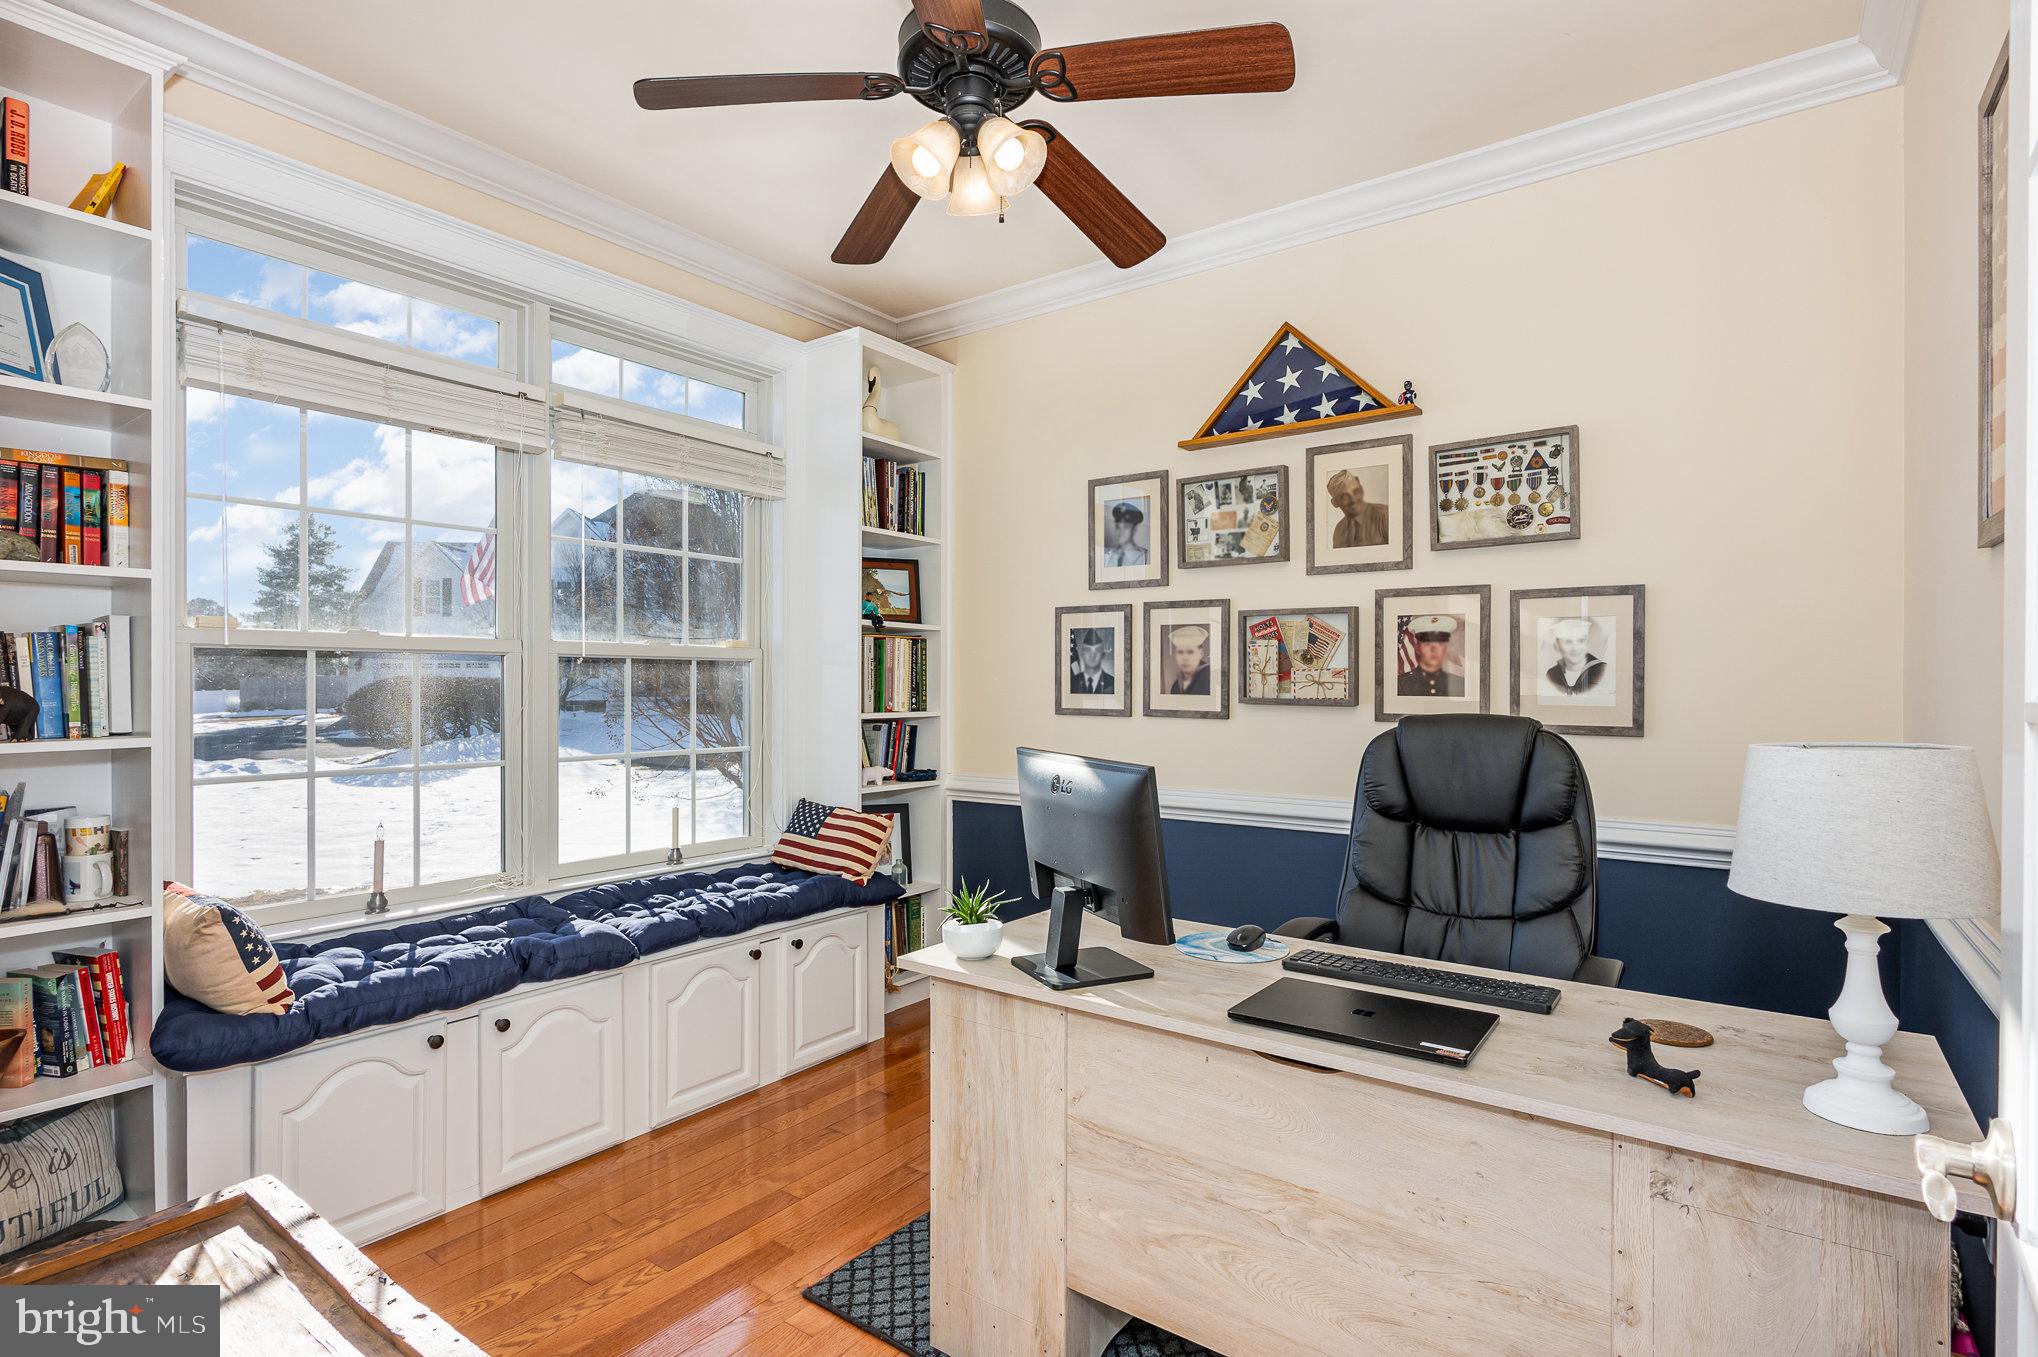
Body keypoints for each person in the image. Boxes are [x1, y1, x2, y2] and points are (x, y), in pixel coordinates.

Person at [1398, 614, 1464, 697]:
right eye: (1427, 643)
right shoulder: (1400, 685)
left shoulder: (1460, 684)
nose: (1433, 649)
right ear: (1417, 646)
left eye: (1440, 643)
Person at [1544, 617, 1607, 696]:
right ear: (1557, 646)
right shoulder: (1552, 674)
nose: (1575, 648)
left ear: (1587, 644)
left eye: (1581, 641)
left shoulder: (1602, 671)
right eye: (1568, 641)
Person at [1327, 469, 1389, 548]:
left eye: (1355, 491)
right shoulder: (1339, 531)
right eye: (1345, 497)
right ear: (1335, 503)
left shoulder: (1384, 515)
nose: (1353, 500)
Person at [1166, 625, 1211, 695]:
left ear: (1201, 653)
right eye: (1180, 652)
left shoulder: (1210, 677)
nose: (1184, 657)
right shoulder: (1176, 685)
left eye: (1190, 652)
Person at [1068, 627, 1115, 694]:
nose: (1092, 655)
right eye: (1088, 650)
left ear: (1103, 655)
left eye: (1097, 650)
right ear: (1082, 654)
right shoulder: (1071, 683)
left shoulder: (1113, 683)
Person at [1103, 501, 1148, 568]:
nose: (1120, 532)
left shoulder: (1143, 556)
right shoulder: (1107, 556)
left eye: (1126, 527)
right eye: (1118, 527)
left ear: (1134, 529)